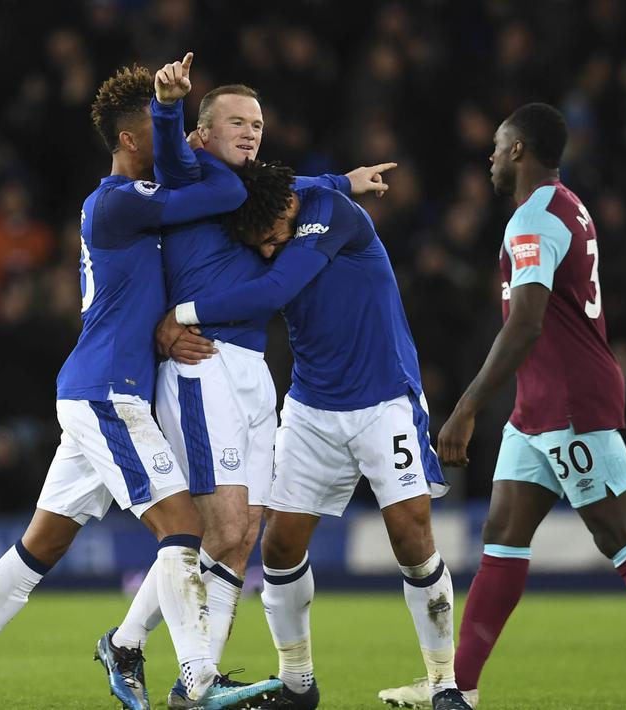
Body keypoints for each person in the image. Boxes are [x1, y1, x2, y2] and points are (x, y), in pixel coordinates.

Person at [0, 61, 282, 710]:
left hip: (101, 386)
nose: (179, 148)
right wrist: (186, 132)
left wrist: (166, 325)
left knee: (41, 545)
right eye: (159, 132)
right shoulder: (116, 201)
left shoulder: (133, 209)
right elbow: (225, 196)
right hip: (109, 392)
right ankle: (197, 680)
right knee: (181, 526)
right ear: (134, 139)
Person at [379, 103, 626, 710]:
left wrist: (464, 407)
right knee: (503, 535)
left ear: (518, 150)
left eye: (496, 144)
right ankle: (456, 687)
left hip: (569, 400)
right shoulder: (566, 205)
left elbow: (526, 325)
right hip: (538, 405)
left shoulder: (534, 218)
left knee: (620, 534)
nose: (487, 155)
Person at [95, 55, 397, 710]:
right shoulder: (187, 167)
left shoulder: (245, 185)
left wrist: (343, 179)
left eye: (256, 122)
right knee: (223, 525)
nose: (250, 130)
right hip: (202, 363)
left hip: (254, 366)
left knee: (239, 533)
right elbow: (170, 148)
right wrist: (169, 106)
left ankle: (170, 666)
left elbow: (291, 182)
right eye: (235, 120)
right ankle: (176, 669)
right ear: (203, 133)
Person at [154, 156, 469, 710]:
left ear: (290, 210)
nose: (269, 250)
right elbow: (292, 192)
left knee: (411, 536)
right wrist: (342, 174)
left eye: (274, 237)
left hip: (383, 400)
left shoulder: (335, 214)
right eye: (262, 246)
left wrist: (181, 312)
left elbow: (276, 288)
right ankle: (298, 684)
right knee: (278, 546)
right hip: (311, 407)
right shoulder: (287, 198)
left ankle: (444, 685)